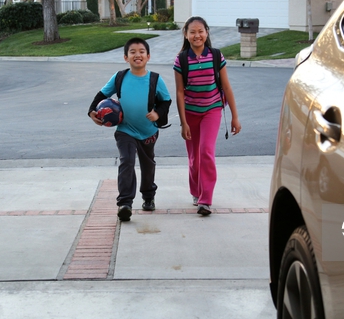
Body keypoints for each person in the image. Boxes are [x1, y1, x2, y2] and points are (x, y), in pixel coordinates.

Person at [88, 37, 171, 222]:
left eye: (141, 51)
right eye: (132, 52)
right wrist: (91, 111)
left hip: (148, 132)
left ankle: (148, 196)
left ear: (148, 56)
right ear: (126, 57)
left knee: (147, 165)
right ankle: (125, 203)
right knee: (126, 161)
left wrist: (158, 114)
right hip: (125, 130)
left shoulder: (155, 79)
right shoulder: (119, 77)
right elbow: (102, 95)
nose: (137, 55)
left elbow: (166, 101)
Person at [174, 17, 241, 216]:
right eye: (192, 32)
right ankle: (196, 191)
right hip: (190, 112)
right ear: (186, 34)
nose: (197, 35)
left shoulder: (216, 56)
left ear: (207, 32)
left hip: (212, 109)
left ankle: (205, 199)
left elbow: (226, 86)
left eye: (201, 31)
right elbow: (179, 93)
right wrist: (183, 122)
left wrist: (235, 117)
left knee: (206, 152)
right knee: (194, 157)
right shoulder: (182, 59)